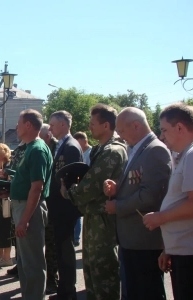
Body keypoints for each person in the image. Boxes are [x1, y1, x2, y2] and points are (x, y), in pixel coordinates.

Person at [103, 107, 172, 300]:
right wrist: (118, 188)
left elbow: (151, 194)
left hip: (144, 240)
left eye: (122, 131)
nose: (120, 136)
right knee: (133, 291)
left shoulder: (155, 150)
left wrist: (118, 206)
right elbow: (137, 185)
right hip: (132, 238)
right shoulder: (137, 148)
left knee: (146, 291)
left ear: (136, 125)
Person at [60, 104, 127, 300]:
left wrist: (68, 192)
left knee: (103, 275)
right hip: (94, 216)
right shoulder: (101, 149)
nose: (90, 128)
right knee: (91, 272)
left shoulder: (112, 151)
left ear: (106, 125)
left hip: (103, 219)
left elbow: (91, 186)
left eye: (93, 124)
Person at [143, 104, 193, 300]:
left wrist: (161, 217)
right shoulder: (186, 155)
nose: (162, 136)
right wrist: (168, 249)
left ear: (179, 128)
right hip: (183, 251)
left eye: (164, 129)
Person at [10, 109, 53, 300]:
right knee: (25, 261)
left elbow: (37, 187)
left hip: (29, 210)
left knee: (33, 262)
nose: (16, 127)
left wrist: (24, 220)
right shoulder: (31, 147)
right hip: (24, 207)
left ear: (28, 125)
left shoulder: (37, 149)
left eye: (19, 124)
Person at [48, 110, 83, 300]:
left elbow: (73, 177)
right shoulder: (60, 145)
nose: (50, 128)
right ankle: (64, 288)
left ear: (63, 125)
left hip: (65, 207)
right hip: (57, 205)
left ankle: (68, 291)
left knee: (65, 249)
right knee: (60, 249)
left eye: (53, 124)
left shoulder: (71, 146)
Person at [39, 124, 59, 295]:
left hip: (53, 204)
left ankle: (53, 280)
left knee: (51, 246)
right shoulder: (46, 147)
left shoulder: (53, 148)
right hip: (48, 202)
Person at [6, 140, 27, 277]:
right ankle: (19, 263)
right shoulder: (19, 148)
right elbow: (14, 169)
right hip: (15, 196)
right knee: (16, 235)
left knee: (24, 238)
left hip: (25, 198)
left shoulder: (32, 148)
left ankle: (23, 267)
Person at [73, 131, 92, 247]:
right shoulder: (81, 152)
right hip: (79, 186)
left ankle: (77, 237)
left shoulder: (90, 153)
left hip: (87, 187)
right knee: (77, 213)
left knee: (80, 215)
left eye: (79, 143)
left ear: (85, 141)